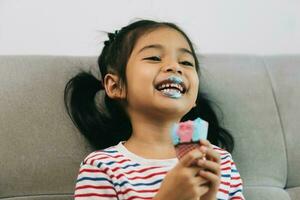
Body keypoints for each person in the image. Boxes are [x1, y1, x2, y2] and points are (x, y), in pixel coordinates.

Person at [64, 19, 245, 200]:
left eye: (186, 62)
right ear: (115, 86)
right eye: (154, 58)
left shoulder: (220, 162)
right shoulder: (102, 166)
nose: (175, 67)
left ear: (194, 98)